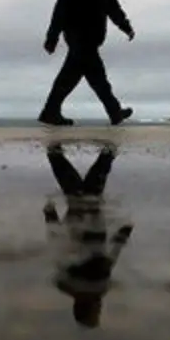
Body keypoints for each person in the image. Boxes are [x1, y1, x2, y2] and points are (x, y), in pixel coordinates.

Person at [39, 0, 135, 126]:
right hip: (83, 39)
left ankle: (52, 111)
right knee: (93, 77)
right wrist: (125, 26)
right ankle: (113, 112)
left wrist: (53, 38)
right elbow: (62, 10)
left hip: (81, 40)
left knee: (83, 76)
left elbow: (109, 5)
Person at [43, 141, 134, 329]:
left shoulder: (96, 285)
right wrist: (51, 218)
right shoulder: (68, 285)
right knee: (81, 191)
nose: (100, 307)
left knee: (86, 191)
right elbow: (60, 249)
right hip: (79, 228)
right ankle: (57, 152)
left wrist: (122, 235)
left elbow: (111, 257)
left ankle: (106, 151)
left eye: (97, 311)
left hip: (92, 230)